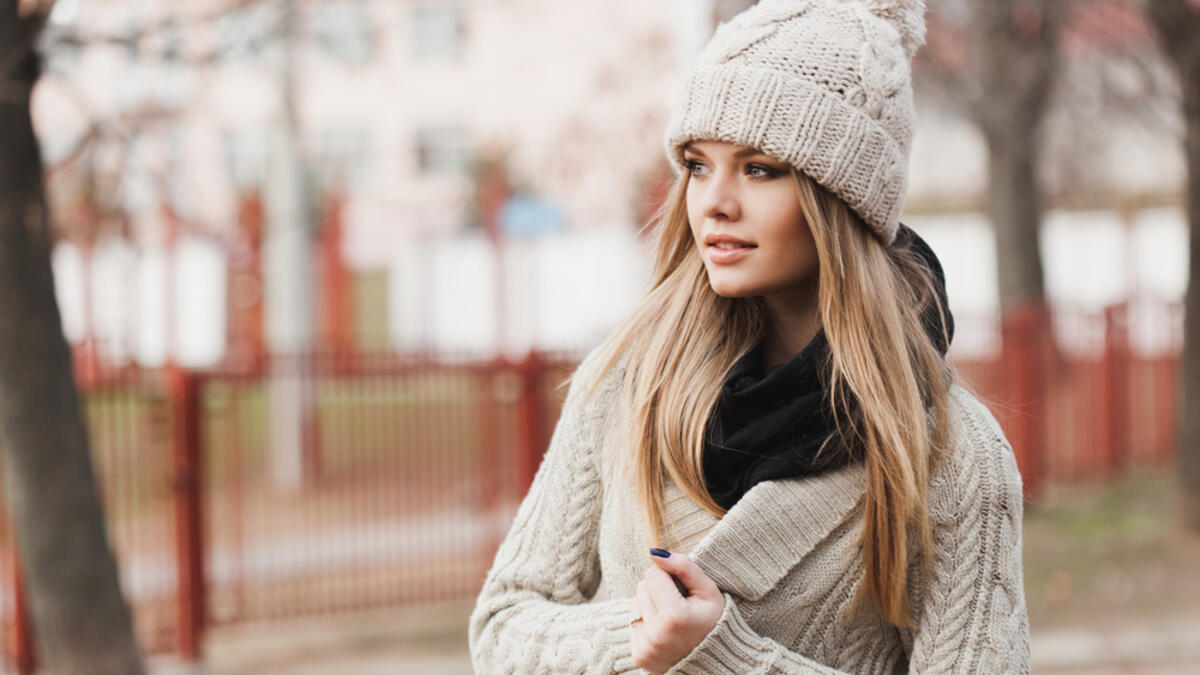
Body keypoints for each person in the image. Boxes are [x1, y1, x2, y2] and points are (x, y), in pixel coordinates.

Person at [469, 0, 1029, 672]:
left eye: (760, 167)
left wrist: (724, 655)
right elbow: (503, 625)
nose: (714, 201)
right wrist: (640, 636)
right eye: (699, 164)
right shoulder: (624, 384)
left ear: (843, 195)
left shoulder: (951, 453)